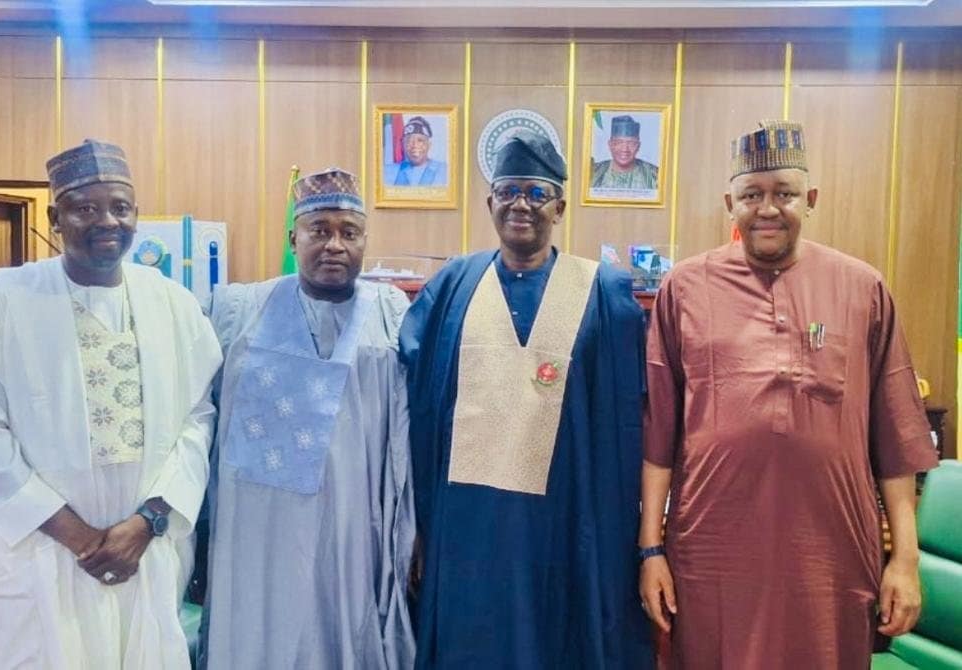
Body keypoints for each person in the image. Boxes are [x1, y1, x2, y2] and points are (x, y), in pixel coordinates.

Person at [639, 120, 940, 669]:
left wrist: (906, 560)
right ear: (730, 204)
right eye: (752, 195)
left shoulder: (863, 289)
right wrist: (650, 549)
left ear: (812, 198)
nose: (768, 209)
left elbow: (896, 436)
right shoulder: (684, 288)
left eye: (785, 193)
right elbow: (658, 431)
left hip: (830, 552)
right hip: (712, 551)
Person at [0, 139, 222, 669]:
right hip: (41, 552)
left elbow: (198, 420)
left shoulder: (173, 305)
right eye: (85, 208)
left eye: (120, 207)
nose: (107, 220)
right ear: (54, 218)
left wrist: (148, 521)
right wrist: (79, 537)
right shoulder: (1, 305)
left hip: (144, 551)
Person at [400, 131, 653, 668]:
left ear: (559, 208)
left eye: (537, 193)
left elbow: (626, 419)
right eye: (509, 191)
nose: (521, 204)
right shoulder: (453, 285)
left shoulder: (602, 292)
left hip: (562, 520)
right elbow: (413, 397)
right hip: (466, 520)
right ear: (490, 202)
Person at [200, 168, 415, 669]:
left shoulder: (390, 314)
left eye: (349, 232)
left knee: (342, 621)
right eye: (319, 230)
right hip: (256, 525)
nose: (334, 244)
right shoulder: (239, 309)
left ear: (364, 241)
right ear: (293, 238)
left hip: (353, 519)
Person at [591, 114, 659, 192]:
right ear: (610, 145)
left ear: (638, 146)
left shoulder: (655, 176)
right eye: (619, 142)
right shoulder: (593, 173)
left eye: (631, 143)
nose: (624, 149)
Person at [383, 116, 448, 187]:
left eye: (420, 140)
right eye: (409, 141)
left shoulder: (445, 171)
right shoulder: (386, 172)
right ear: (402, 144)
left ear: (429, 145)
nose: (414, 145)